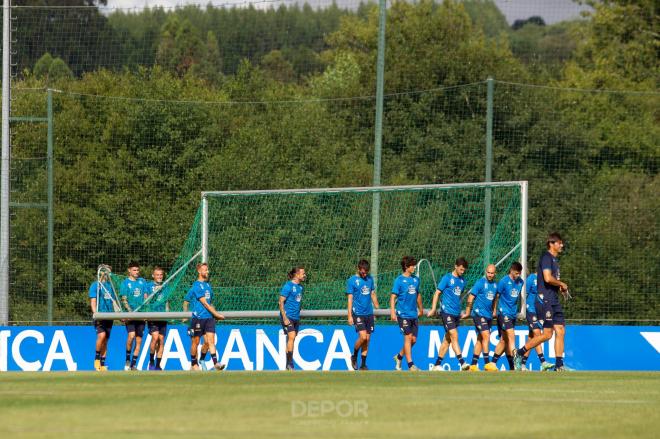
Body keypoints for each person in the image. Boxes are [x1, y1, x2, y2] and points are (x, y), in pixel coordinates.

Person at [514, 232, 570, 371]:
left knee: (561, 330)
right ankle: (519, 353)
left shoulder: (555, 261)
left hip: (553, 299)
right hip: (545, 300)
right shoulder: (546, 257)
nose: (561, 245)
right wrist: (561, 284)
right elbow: (547, 278)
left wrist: (559, 288)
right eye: (559, 243)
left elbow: (552, 281)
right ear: (552, 244)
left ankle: (559, 365)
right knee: (547, 334)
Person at [427, 257, 471, 371]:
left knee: (447, 339)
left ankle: (437, 365)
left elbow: (458, 296)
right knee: (454, 335)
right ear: (455, 266)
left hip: (456, 313)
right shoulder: (447, 278)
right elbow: (437, 293)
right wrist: (433, 309)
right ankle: (462, 363)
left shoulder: (463, 281)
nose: (462, 271)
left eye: (464, 270)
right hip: (447, 312)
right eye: (461, 269)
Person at [188, 262, 226, 371]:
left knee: (209, 342)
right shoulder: (196, 285)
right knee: (195, 342)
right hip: (199, 318)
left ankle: (215, 363)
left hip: (209, 318)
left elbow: (210, 303)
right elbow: (204, 303)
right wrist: (217, 314)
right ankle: (194, 363)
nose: (207, 272)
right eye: (205, 270)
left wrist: (214, 314)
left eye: (207, 269)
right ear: (199, 271)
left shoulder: (208, 285)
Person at [462, 264, 498, 372]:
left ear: (495, 273)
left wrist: (495, 310)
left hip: (488, 315)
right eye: (488, 272)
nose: (490, 275)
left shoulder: (495, 285)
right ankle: (487, 363)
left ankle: (473, 365)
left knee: (480, 339)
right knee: (486, 336)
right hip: (478, 314)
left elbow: (495, 298)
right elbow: (470, 297)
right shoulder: (480, 283)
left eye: (492, 273)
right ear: (486, 272)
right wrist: (468, 312)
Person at [391, 256, 423, 372]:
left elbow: (418, 295)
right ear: (406, 267)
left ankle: (399, 357)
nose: (414, 267)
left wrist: (421, 309)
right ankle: (411, 365)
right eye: (412, 265)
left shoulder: (416, 280)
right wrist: (392, 312)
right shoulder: (399, 280)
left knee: (413, 340)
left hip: (413, 314)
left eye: (414, 265)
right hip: (403, 314)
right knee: (408, 338)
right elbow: (393, 296)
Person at [346, 259, 379, 371]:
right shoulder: (352, 280)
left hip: (369, 313)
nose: (365, 274)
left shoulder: (370, 279)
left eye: (366, 272)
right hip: (358, 313)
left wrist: (377, 308)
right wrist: (349, 315)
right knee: (363, 337)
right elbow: (350, 298)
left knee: (367, 339)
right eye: (363, 272)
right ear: (358, 269)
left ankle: (363, 365)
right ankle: (354, 356)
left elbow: (372, 293)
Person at [492, 262, 524, 370]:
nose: (518, 275)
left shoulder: (521, 282)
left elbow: (519, 297)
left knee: (504, 340)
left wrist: (521, 311)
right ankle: (516, 359)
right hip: (503, 313)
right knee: (511, 335)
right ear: (511, 270)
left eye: (519, 273)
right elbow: (497, 296)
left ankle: (492, 364)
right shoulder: (503, 281)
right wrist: (495, 310)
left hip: (512, 314)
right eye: (516, 273)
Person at [523, 265, 554, 371]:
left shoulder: (545, 281)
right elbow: (523, 295)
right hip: (530, 310)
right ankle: (543, 362)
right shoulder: (531, 278)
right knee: (537, 334)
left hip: (539, 312)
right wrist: (523, 311)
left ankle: (521, 364)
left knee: (532, 338)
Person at [120, 261, 149, 371]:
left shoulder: (142, 282)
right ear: (129, 270)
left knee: (139, 341)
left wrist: (146, 312)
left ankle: (133, 364)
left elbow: (146, 297)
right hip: (130, 316)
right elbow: (124, 299)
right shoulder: (125, 283)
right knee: (131, 336)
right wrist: (130, 312)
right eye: (134, 270)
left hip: (141, 316)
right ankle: (127, 359)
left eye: (137, 270)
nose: (136, 272)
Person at [89, 264, 117, 371]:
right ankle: (96, 359)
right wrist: (96, 314)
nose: (107, 274)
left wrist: (118, 314)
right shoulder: (95, 285)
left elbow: (114, 302)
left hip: (109, 316)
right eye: (105, 272)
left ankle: (102, 364)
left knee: (105, 340)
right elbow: (93, 301)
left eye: (109, 272)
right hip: (100, 316)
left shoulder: (111, 286)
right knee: (101, 335)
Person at [279, 265, 306, 371]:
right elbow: (280, 302)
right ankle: (290, 364)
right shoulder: (288, 286)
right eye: (303, 273)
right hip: (288, 316)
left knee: (292, 339)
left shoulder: (300, 287)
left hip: (296, 317)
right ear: (296, 274)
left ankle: (288, 365)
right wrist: (285, 318)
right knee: (291, 336)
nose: (305, 275)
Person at [146, 266, 170, 371]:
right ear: (153, 276)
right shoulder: (148, 286)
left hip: (163, 316)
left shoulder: (166, 286)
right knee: (155, 337)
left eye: (161, 275)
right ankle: (151, 361)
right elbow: (146, 301)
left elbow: (166, 301)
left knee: (161, 340)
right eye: (157, 275)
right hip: (153, 316)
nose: (160, 277)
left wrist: (168, 312)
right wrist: (155, 292)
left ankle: (158, 365)